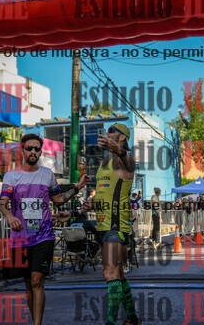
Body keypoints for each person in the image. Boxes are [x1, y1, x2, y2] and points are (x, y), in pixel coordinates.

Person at [0, 133, 89, 325]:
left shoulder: (47, 174)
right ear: (22, 151)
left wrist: (78, 187)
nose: (33, 151)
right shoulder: (11, 176)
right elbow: (2, 202)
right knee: (28, 284)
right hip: (20, 237)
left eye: (37, 149)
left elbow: (58, 200)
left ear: (40, 152)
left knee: (37, 280)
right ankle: (35, 320)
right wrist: (10, 217)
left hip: (44, 236)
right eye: (29, 148)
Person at [84, 123, 141, 325]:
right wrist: (89, 203)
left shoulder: (125, 160)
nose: (107, 133)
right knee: (118, 274)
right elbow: (103, 192)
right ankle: (132, 318)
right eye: (107, 131)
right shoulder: (104, 163)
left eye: (112, 131)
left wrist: (118, 149)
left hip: (116, 227)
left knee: (110, 273)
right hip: (103, 226)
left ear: (123, 137)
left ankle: (110, 322)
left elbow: (129, 162)